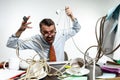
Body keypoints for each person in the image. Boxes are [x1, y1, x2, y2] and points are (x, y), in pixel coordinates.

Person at [6, 6, 81, 62]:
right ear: (41, 32)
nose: (50, 35)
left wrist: (71, 17)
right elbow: (10, 44)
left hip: (61, 71)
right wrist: (20, 30)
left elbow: (76, 28)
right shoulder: (36, 40)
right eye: (45, 32)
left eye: (52, 31)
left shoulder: (61, 35)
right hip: (45, 71)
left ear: (55, 29)